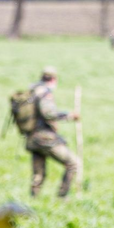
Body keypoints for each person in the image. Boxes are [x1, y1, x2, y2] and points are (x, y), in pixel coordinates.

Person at [25, 67, 79, 198]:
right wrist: (69, 115)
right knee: (73, 163)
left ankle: (34, 199)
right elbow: (49, 113)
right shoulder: (44, 92)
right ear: (54, 79)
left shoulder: (32, 91)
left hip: (31, 137)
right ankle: (62, 197)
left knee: (38, 173)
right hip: (45, 137)